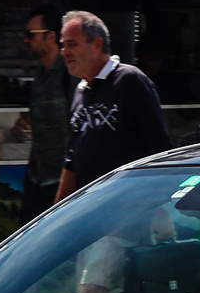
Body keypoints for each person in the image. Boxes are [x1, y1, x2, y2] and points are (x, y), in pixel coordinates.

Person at [55, 10, 168, 203]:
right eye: (63, 45)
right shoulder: (81, 92)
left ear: (97, 44)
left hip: (130, 205)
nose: (64, 52)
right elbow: (72, 162)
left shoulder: (129, 80)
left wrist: (158, 204)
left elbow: (159, 149)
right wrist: (56, 215)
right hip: (91, 207)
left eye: (72, 44)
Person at [19, 8, 73, 223]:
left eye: (31, 34)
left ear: (51, 36)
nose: (26, 40)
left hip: (60, 179)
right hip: (36, 177)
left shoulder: (68, 73)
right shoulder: (40, 76)